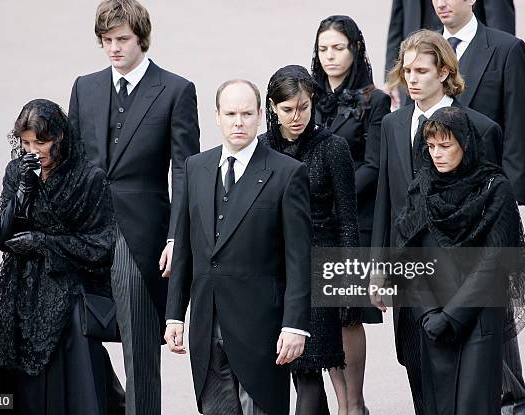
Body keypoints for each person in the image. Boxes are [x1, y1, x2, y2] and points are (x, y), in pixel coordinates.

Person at [68, 1, 200, 413]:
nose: (113, 48)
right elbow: (70, 163)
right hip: (84, 230)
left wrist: (177, 236)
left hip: (140, 237)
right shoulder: (84, 87)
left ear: (141, 38)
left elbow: (184, 172)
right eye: (106, 40)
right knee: (72, 331)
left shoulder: (176, 90)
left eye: (122, 39)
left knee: (140, 351)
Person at [370, 29, 502, 414]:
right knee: (417, 369)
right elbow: (386, 200)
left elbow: (490, 211)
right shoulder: (393, 126)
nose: (411, 79)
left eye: (421, 71)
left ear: (444, 72)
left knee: (464, 382)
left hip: (459, 278)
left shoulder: (478, 128)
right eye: (406, 70)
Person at [164, 80, 312, 415]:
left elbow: (299, 259)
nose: (238, 121)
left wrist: (294, 325)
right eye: (230, 113)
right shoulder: (195, 168)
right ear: (216, 116)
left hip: (261, 329)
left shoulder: (287, 173)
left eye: (246, 113)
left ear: (261, 116)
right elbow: (185, 247)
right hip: (206, 323)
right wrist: (175, 315)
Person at [0, 99, 123, 414]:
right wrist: (22, 194)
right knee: (18, 391)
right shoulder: (17, 172)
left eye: (41, 142)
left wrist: (43, 243)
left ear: (60, 138)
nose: (33, 150)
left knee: (71, 390)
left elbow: (102, 244)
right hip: (20, 298)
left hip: (68, 299)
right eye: (26, 143)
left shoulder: (88, 178)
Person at [394, 106, 525, 414]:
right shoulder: (422, 189)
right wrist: (428, 313)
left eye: (445, 145)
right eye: (431, 146)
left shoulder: (495, 189)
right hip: (432, 321)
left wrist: (452, 316)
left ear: (465, 144)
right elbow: (408, 256)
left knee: (474, 405)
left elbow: (495, 263)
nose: (437, 154)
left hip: (478, 320)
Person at [258, 65, 357, 414]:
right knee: (293, 370)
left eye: (303, 107)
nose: (296, 116)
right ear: (272, 106)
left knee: (310, 364)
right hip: (275, 268)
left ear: (313, 101)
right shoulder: (261, 149)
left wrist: (348, 284)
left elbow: (347, 220)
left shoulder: (332, 147)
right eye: (287, 109)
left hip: (322, 267)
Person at [311, 16, 389, 414]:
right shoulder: (308, 95)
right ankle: (343, 403)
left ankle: (354, 404)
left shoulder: (374, 99)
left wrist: (329, 195)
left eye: (338, 47)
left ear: (355, 49)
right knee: (323, 318)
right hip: (312, 223)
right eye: (323, 48)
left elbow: (373, 166)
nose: (330, 56)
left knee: (347, 317)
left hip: (351, 222)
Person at [434, 0, 525, 208]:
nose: (440, 4)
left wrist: (510, 195)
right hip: (432, 191)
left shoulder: (507, 49)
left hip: (485, 190)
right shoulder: (422, 49)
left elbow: (517, 127)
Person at [384, 0, 516, 108]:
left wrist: (496, 57)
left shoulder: (504, 49)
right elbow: (398, 17)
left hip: (474, 50)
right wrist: (393, 77)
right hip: (416, 51)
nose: (440, 4)